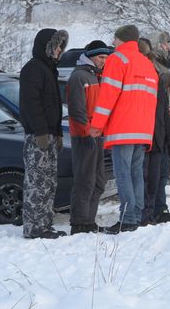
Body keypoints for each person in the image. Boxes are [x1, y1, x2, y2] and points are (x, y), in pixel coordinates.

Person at [90, 25, 159, 233]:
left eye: (115, 38)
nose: (113, 42)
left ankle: (127, 218)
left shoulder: (117, 59)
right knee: (136, 173)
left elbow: (107, 96)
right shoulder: (147, 64)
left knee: (123, 174)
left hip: (123, 128)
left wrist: (97, 125)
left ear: (121, 39)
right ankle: (136, 215)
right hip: (143, 129)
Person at [19, 28, 69, 239]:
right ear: (47, 47)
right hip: (37, 136)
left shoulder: (49, 69)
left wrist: (57, 133)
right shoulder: (33, 69)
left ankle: (45, 224)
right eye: (56, 46)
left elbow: (53, 106)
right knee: (37, 182)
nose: (59, 50)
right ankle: (34, 227)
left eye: (61, 47)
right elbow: (31, 103)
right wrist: (40, 131)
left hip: (49, 134)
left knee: (49, 182)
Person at [66, 40, 111, 235]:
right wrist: (86, 133)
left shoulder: (96, 76)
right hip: (84, 136)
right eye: (101, 57)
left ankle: (89, 220)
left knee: (98, 181)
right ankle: (79, 223)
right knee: (85, 181)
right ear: (91, 56)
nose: (103, 61)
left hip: (98, 135)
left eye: (106, 57)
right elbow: (77, 110)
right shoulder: (79, 77)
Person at [138, 37, 170, 224]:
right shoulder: (144, 72)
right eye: (164, 44)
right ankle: (146, 211)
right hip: (148, 134)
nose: (167, 47)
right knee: (148, 177)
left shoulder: (156, 70)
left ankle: (160, 209)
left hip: (161, 132)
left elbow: (163, 109)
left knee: (161, 175)